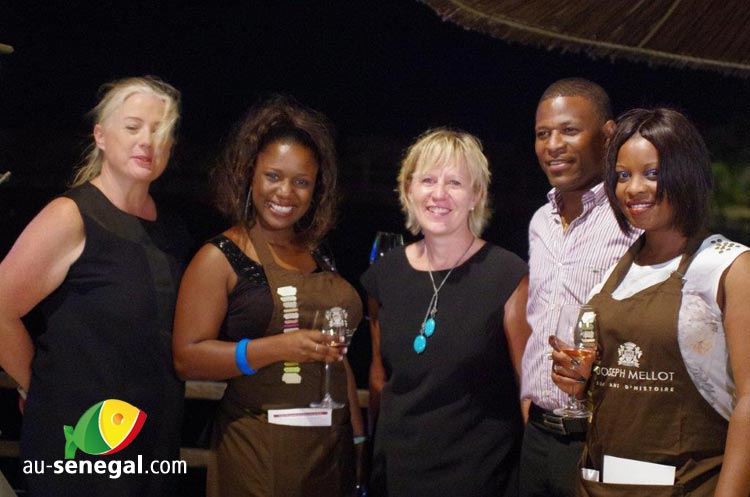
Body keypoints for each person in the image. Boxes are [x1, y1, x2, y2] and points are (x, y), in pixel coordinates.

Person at [0, 76, 186, 495]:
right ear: (101, 136)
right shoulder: (70, 216)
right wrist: (36, 384)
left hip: (151, 439)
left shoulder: (172, 231)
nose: (147, 141)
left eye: (159, 131)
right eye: (133, 127)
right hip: (78, 443)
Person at [172, 94, 364, 497]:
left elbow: (338, 358)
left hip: (331, 452)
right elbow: (187, 358)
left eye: (301, 182)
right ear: (249, 175)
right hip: (259, 449)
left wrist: (359, 439)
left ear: (316, 188)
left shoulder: (319, 254)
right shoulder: (219, 258)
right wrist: (279, 347)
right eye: (273, 176)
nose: (285, 192)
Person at [551, 108, 750, 496]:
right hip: (598, 483)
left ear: (686, 174)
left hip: (685, 485)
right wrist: (582, 381)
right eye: (623, 175)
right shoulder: (614, 271)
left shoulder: (727, 267)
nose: (633, 188)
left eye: (652, 173)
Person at [363, 128, 530, 497]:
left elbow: (528, 391)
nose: (439, 194)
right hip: (396, 478)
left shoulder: (508, 275)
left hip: (481, 479)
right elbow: (379, 380)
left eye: (454, 182)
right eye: (427, 180)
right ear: (408, 189)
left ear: (476, 195)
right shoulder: (384, 274)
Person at [519, 78, 640, 497]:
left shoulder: (631, 219)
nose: (553, 145)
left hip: (602, 434)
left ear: (608, 135)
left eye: (569, 130)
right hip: (538, 435)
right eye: (543, 133)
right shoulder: (540, 221)